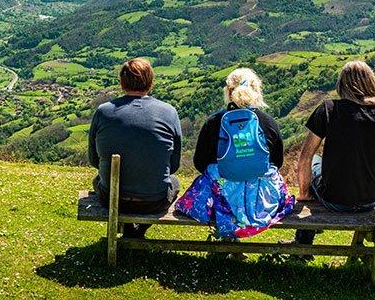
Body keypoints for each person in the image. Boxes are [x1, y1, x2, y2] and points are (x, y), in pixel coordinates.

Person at [293, 60, 375, 246]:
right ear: (372, 82)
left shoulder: (329, 109)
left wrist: (303, 194)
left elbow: (305, 158)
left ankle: (303, 242)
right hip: (369, 201)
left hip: (334, 200)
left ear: (342, 84)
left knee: (316, 161)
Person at [177, 68, 294, 240]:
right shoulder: (269, 123)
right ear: (256, 91)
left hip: (222, 196)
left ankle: (227, 233)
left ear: (228, 92)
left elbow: (199, 162)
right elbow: (277, 162)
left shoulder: (214, 122)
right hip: (262, 200)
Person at [88, 58, 182, 238]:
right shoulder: (169, 112)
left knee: (97, 179)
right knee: (175, 181)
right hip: (154, 201)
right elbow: (174, 165)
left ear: (122, 82)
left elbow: (94, 160)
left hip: (112, 199)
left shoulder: (103, 111)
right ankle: (138, 232)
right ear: (150, 82)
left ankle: (129, 229)